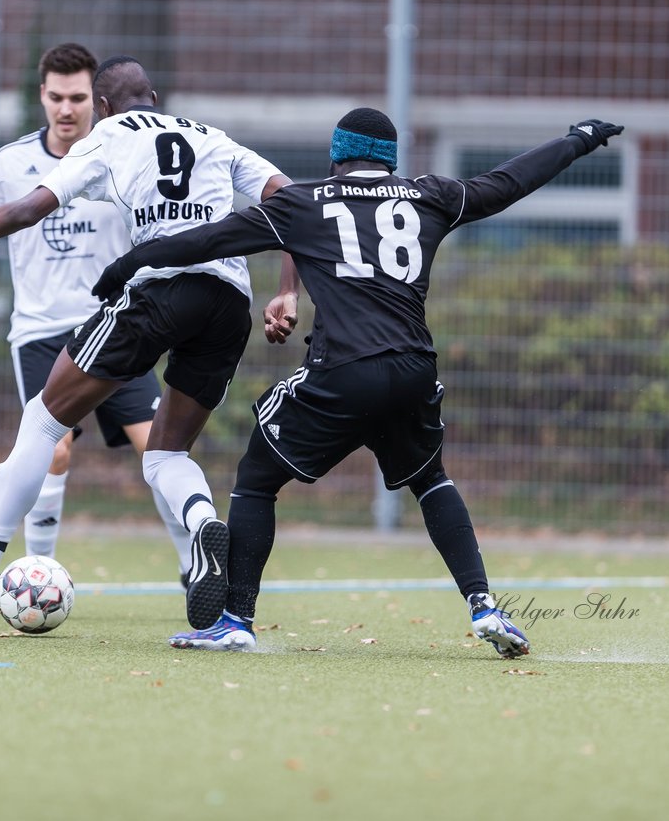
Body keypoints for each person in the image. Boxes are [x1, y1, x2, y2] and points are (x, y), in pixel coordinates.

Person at [92, 109, 625, 656]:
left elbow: (208, 240)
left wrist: (132, 262)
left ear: (336, 155)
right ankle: (484, 604)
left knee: (255, 478)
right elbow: (509, 182)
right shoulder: (429, 195)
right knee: (431, 479)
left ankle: (236, 620)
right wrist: (576, 141)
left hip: (343, 371)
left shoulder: (303, 202)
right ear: (390, 160)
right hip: (414, 369)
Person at [0, 56, 291, 626]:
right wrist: (287, 292)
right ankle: (202, 523)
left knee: (43, 422)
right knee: (166, 451)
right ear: (154, 95)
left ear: (102, 107)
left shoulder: (107, 135)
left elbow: (29, 208)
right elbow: (291, 201)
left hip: (158, 293)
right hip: (230, 301)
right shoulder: (212, 137)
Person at [0, 43, 192, 578]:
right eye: (56, 97)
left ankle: (195, 567)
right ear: (42, 96)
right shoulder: (13, 163)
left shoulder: (125, 156)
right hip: (42, 334)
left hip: (116, 324)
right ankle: (39, 577)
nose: (66, 109)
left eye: (77, 97)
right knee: (52, 452)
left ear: (97, 102)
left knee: (159, 450)